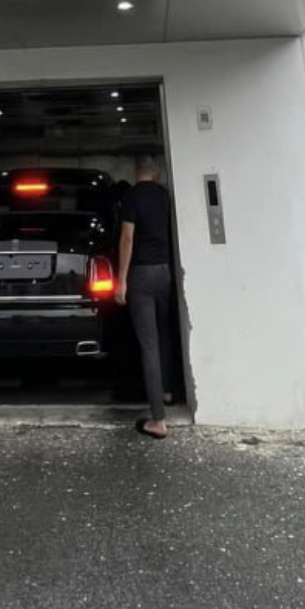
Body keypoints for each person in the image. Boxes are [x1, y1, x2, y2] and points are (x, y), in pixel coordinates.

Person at [116, 152, 175, 440]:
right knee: (163, 334)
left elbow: (127, 239)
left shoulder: (132, 197)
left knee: (148, 345)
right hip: (164, 271)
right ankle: (164, 391)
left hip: (141, 274)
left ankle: (158, 421)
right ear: (156, 170)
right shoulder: (164, 195)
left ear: (135, 168)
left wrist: (121, 281)